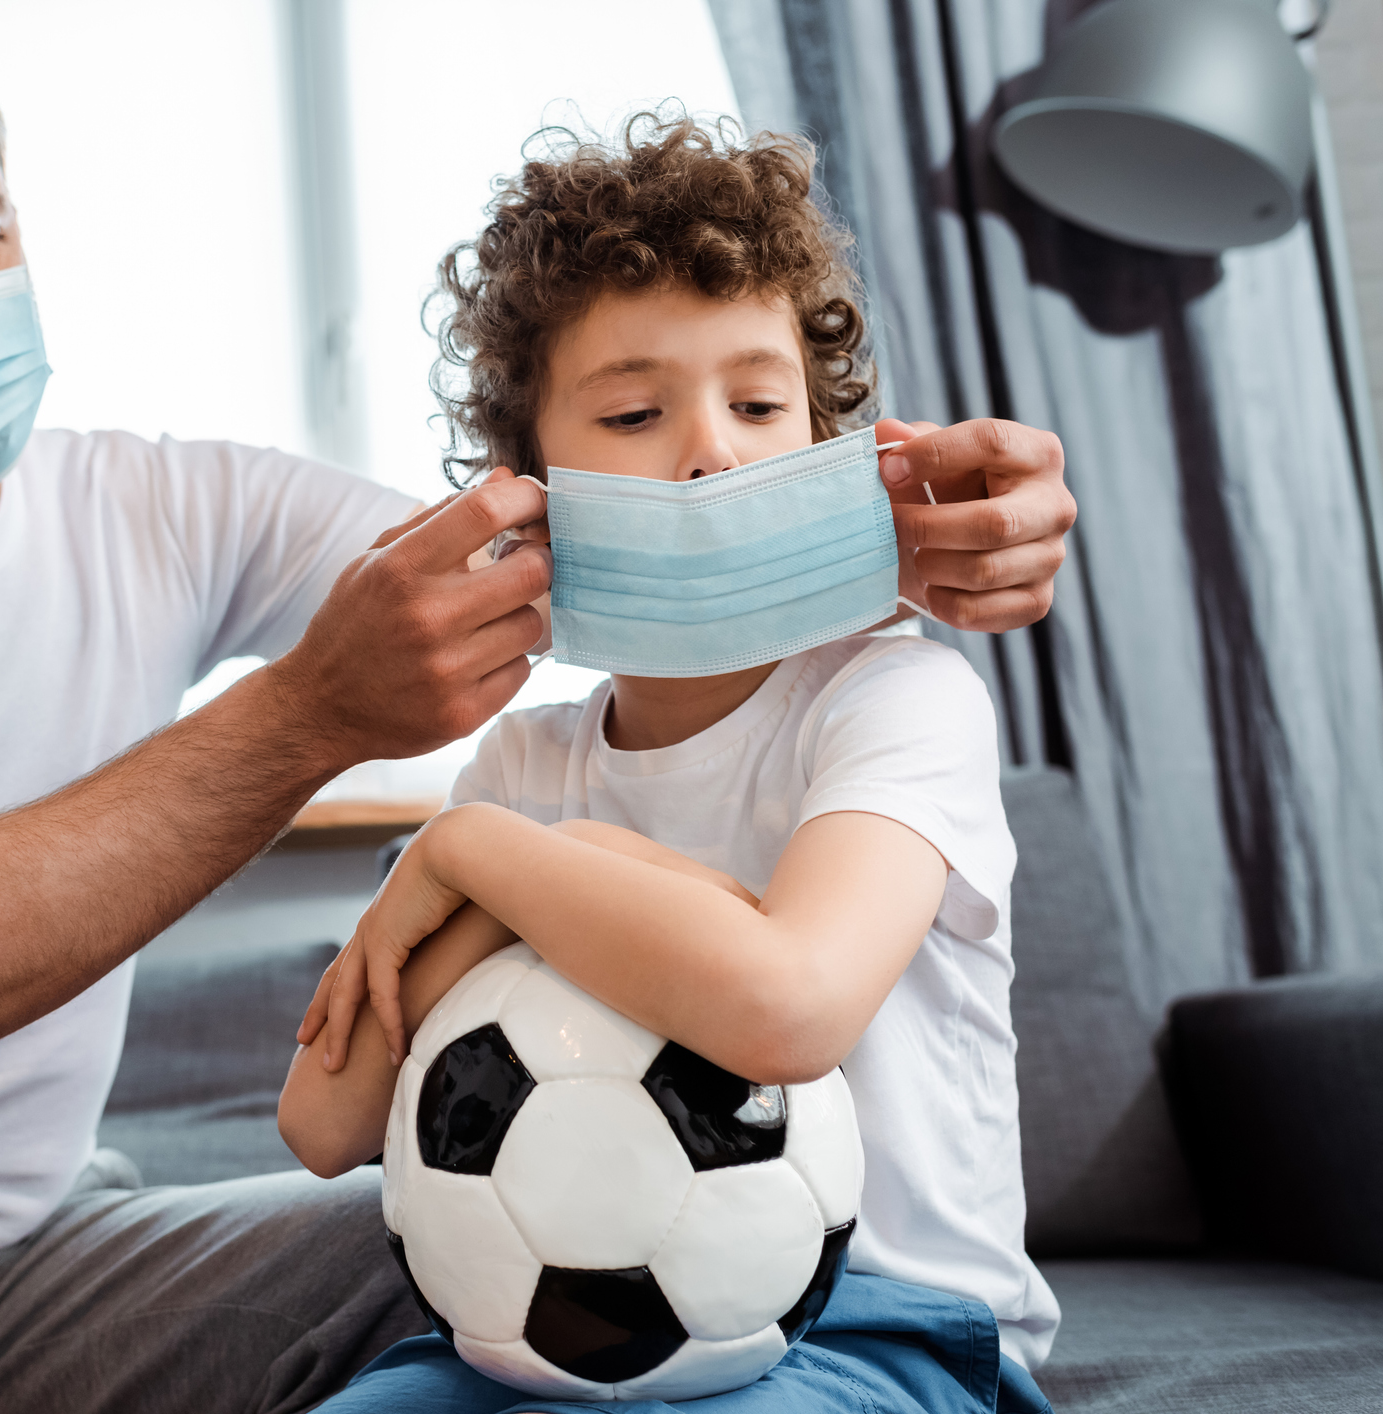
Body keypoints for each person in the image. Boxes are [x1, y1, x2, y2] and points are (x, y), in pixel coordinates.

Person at [0, 13, 1074, 1414]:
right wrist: (304, 720)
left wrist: (907, 510)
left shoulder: (166, 508)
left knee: (457, 1243)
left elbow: (588, 540)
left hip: (26, 1270)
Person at [279, 117, 1056, 1414]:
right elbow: (325, 1120)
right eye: (636, 412)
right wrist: (521, 848)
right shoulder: (528, 759)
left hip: (876, 1330)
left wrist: (494, 859)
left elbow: (787, 1010)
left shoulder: (896, 699)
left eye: (759, 404)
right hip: (545, 1339)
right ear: (526, 487)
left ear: (825, 445)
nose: (712, 451)